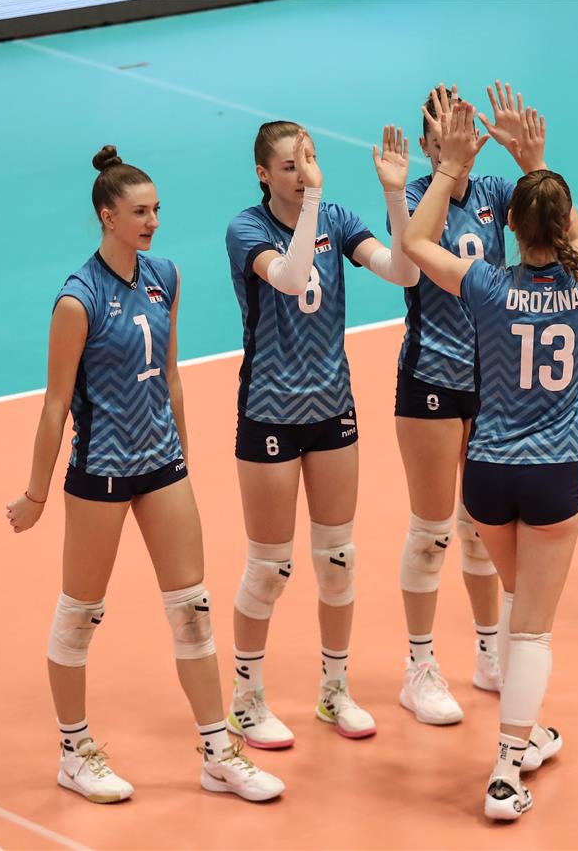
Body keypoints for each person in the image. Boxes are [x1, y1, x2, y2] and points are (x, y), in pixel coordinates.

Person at [5, 146, 283, 803]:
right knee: (80, 616)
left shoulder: (165, 276)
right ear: (108, 217)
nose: (153, 221)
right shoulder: (78, 300)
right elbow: (55, 404)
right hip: (100, 470)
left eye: (157, 209)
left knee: (193, 611)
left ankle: (218, 752)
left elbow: (173, 376)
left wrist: (182, 458)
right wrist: (36, 494)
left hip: (162, 465)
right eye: (139, 212)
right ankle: (74, 752)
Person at [403, 101, 578, 820]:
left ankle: (530, 733)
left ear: (511, 227)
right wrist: (535, 163)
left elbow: (417, 241)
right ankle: (504, 769)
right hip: (554, 475)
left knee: (521, 606)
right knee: (532, 628)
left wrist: (450, 168)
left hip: (488, 475)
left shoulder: (486, 284)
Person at [222, 123, 420, 748]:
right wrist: (310, 199)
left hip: (332, 408)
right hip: (269, 412)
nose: (303, 172)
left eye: (308, 160)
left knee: (338, 560)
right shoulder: (246, 229)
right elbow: (288, 275)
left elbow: (404, 272)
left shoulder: (337, 217)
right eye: (289, 166)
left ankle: (335, 691)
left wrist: (394, 197)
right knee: (270, 569)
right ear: (263, 175)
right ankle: (246, 700)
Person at [392, 82, 547, 726]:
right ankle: (419, 668)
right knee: (431, 533)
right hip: (430, 378)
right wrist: (446, 172)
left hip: (490, 382)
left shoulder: (495, 194)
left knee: (481, 528)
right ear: (427, 145)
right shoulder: (412, 197)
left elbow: (549, 222)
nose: (459, 145)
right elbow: (411, 255)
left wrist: (529, 159)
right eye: (444, 138)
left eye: (465, 135)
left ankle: (489, 653)